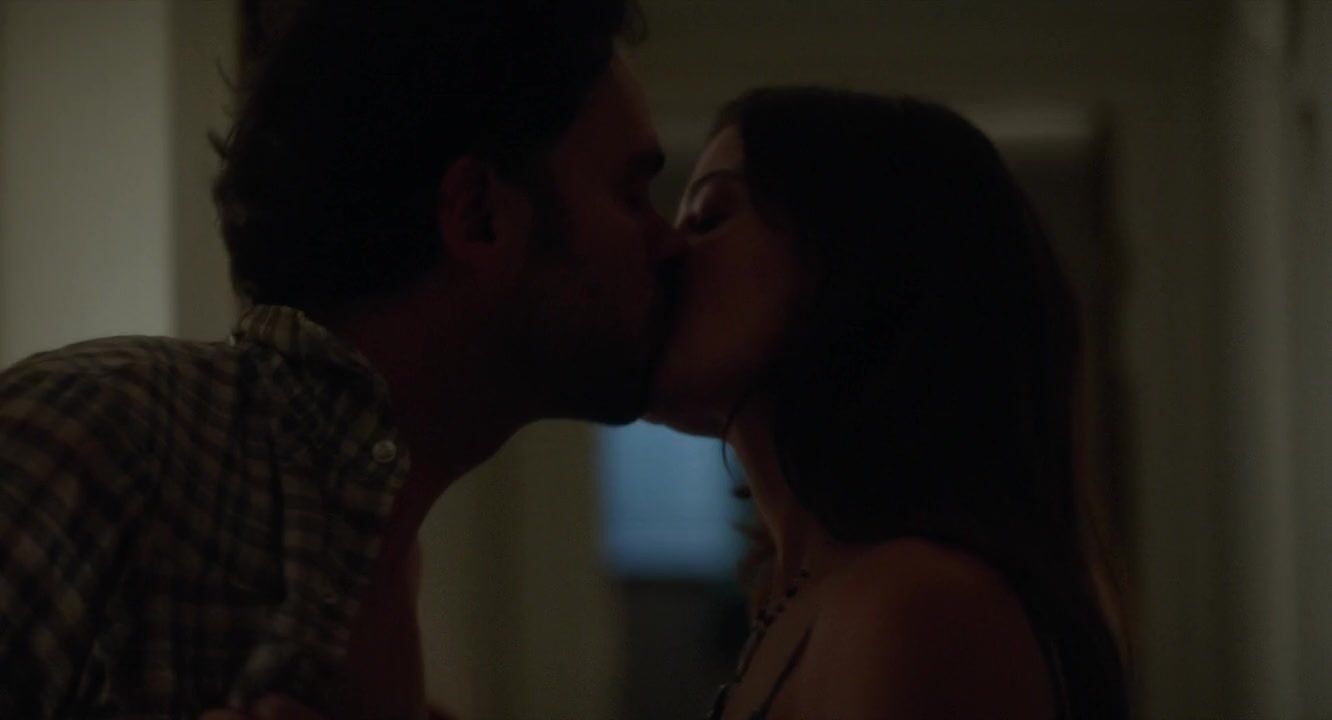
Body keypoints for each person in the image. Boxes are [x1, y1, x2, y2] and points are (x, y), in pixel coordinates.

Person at [0, 1, 684, 717]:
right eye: (632, 194)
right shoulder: (88, 433)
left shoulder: (379, 557)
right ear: (478, 216)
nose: (668, 242)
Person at [646, 87, 1129, 719]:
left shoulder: (912, 606)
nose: (666, 250)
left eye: (709, 216)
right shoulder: (811, 595)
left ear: (858, 264)